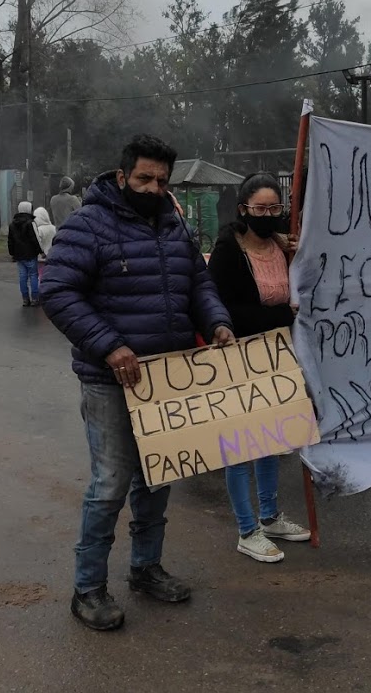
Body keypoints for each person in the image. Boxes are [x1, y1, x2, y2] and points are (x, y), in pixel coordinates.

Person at [41, 134, 234, 632]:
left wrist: (216, 322)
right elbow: (57, 292)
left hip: (167, 380)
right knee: (110, 485)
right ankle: (88, 589)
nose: (153, 189)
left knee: (158, 478)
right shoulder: (87, 225)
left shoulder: (174, 226)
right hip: (110, 379)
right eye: (145, 178)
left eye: (162, 181)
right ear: (122, 175)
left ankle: (146, 568)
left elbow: (199, 285)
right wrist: (109, 345)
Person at [206, 174, 311, 563]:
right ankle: (246, 529)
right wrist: (282, 314)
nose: (267, 216)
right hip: (240, 358)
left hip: (281, 357)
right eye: (259, 209)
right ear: (242, 210)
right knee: (239, 446)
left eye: (273, 209)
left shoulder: (284, 247)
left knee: (272, 440)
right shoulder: (228, 252)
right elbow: (224, 309)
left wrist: (301, 255)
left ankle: (269, 516)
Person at [7, 200, 43, 307]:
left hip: (19, 255)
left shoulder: (12, 224)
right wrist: (41, 251)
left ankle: (25, 299)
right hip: (30, 254)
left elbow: (10, 240)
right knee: (33, 275)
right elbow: (35, 239)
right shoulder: (30, 223)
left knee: (22, 276)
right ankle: (35, 298)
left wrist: (12, 253)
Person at [32, 206, 56, 278]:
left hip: (41, 258)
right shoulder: (54, 228)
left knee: (41, 276)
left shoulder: (38, 230)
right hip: (52, 256)